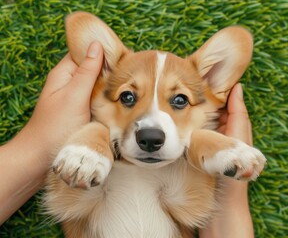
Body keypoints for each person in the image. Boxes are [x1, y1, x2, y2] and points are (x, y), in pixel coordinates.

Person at [0, 42, 255, 237]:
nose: (152, 123)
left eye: (179, 100)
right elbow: (69, 200)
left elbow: (193, 206)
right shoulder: (102, 152)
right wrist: (95, 140)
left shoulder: (178, 164)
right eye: (128, 97)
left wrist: (203, 143)